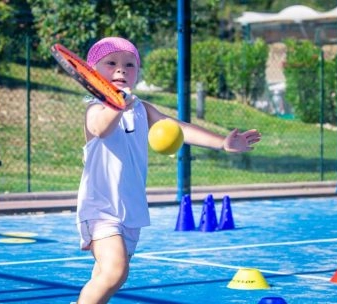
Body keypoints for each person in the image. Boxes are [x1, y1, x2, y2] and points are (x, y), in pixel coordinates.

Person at [75, 37, 261, 304]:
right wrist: (117, 104)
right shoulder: (95, 109)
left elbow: (179, 128)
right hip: (101, 209)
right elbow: (100, 128)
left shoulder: (141, 109)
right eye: (111, 63)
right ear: (92, 73)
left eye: (129, 64)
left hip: (131, 210)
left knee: (107, 275)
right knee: (115, 272)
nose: (121, 70)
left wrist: (222, 142)